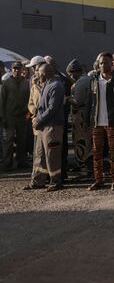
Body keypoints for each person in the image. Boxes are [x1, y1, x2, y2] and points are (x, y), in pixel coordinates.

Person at [87, 52, 114, 190]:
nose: (103, 65)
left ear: (111, 64)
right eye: (101, 63)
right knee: (97, 152)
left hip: (113, 122)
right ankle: (98, 180)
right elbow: (90, 102)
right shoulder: (94, 80)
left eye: (106, 62)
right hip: (97, 122)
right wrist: (88, 119)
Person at [25, 63, 65, 191]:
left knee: (52, 155)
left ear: (44, 74)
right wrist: (37, 119)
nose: (37, 76)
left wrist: (39, 120)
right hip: (43, 126)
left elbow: (52, 108)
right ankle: (37, 181)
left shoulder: (56, 86)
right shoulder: (47, 84)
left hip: (52, 126)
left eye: (39, 74)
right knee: (40, 155)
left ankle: (55, 181)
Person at [1, 61, 30, 171]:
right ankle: (7, 162)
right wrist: (2, 117)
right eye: (14, 68)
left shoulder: (26, 83)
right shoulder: (7, 83)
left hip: (22, 116)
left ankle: (21, 161)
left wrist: (28, 114)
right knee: (8, 141)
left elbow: (29, 99)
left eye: (18, 68)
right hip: (9, 116)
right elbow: (2, 101)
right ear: (12, 69)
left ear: (22, 69)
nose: (16, 70)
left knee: (22, 140)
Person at [67, 60, 93, 177]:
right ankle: (89, 166)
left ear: (73, 72)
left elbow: (77, 101)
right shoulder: (89, 79)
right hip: (89, 115)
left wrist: (68, 99)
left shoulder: (80, 82)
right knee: (89, 142)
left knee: (81, 142)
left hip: (81, 117)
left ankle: (84, 167)